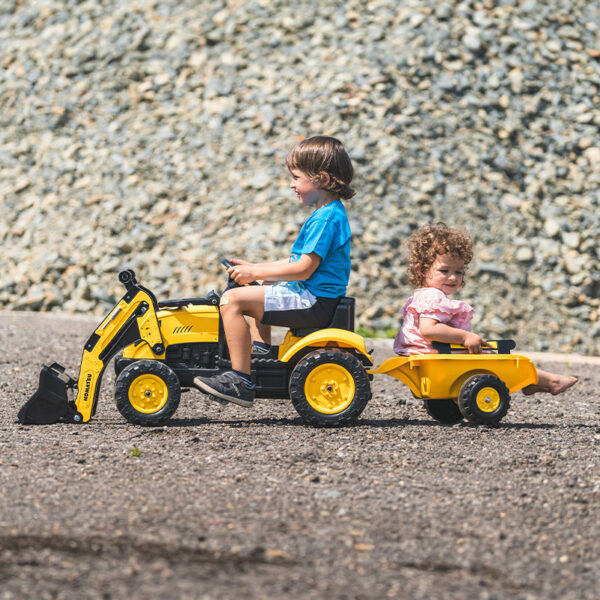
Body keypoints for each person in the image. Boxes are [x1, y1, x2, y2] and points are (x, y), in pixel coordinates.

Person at [193, 136, 355, 407]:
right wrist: (255, 271)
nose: (291, 184)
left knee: (231, 301)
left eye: (296, 177)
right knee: (256, 285)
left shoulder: (326, 218)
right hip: (313, 294)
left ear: (323, 179)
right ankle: (259, 350)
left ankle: (240, 380)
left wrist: (257, 271)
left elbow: (303, 269)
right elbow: (296, 260)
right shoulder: (328, 213)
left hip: (313, 300)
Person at [393, 223, 578, 396]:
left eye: (458, 272)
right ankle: (549, 381)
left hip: (427, 350)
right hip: (435, 351)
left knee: (491, 353)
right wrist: (465, 337)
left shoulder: (422, 295)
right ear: (421, 270)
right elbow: (429, 329)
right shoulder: (432, 297)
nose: (452, 278)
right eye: (444, 271)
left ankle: (532, 380)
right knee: (495, 358)